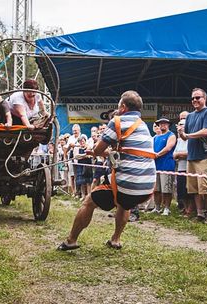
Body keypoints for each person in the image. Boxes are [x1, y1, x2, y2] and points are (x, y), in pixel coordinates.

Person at [57, 90, 155, 251]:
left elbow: (97, 150)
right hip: (146, 186)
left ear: (123, 107)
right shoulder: (143, 125)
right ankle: (115, 239)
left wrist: (94, 151)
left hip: (126, 184)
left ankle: (71, 240)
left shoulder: (117, 121)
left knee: (88, 202)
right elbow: (122, 152)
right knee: (124, 204)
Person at [178, 88, 207, 223]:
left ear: (204, 98)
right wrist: (181, 133)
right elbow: (185, 137)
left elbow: (206, 132)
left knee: (205, 189)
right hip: (191, 156)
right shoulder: (189, 116)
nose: (195, 100)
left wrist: (187, 135)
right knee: (193, 188)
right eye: (193, 98)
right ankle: (200, 214)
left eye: (198, 97)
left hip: (204, 156)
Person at [152, 117, 177, 216]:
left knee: (167, 189)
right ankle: (157, 207)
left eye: (165, 123)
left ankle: (166, 208)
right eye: (160, 124)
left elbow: (168, 147)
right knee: (156, 189)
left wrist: (157, 154)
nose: (162, 125)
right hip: (155, 166)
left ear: (168, 125)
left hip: (167, 165)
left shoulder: (171, 135)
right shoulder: (155, 137)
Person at [173, 112, 189, 212]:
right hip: (180, 167)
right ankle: (182, 207)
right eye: (179, 125)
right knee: (181, 188)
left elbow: (189, 153)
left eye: (182, 125)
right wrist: (179, 155)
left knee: (188, 190)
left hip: (188, 167)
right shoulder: (179, 140)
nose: (179, 127)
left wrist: (180, 155)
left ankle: (189, 209)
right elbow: (174, 154)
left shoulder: (190, 138)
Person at [74, 135, 93, 200]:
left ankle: (89, 196)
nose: (82, 142)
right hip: (80, 166)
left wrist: (81, 156)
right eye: (80, 141)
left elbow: (89, 156)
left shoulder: (89, 147)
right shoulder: (78, 148)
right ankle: (83, 195)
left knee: (88, 182)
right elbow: (76, 156)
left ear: (85, 141)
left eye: (83, 141)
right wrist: (84, 155)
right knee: (81, 182)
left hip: (87, 165)